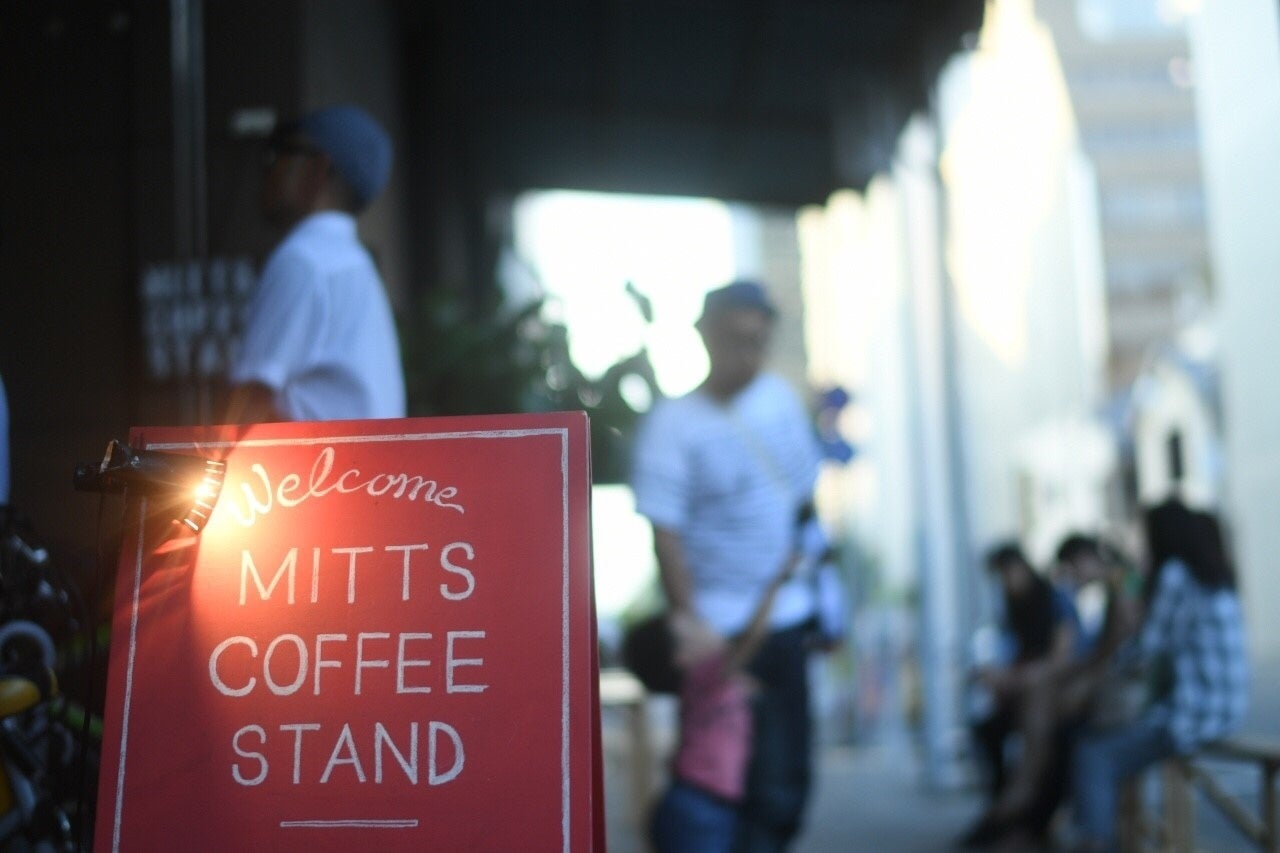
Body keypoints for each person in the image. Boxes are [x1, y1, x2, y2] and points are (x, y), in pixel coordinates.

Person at [631, 280, 823, 851]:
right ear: (705, 335)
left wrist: (819, 595)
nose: (748, 353)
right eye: (736, 339)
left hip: (787, 618)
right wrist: (691, 623)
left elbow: (804, 499)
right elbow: (665, 533)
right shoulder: (672, 424)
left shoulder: (781, 402)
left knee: (786, 778)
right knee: (731, 779)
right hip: (719, 627)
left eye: (758, 341)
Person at [1071, 498, 1249, 851]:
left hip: (1196, 715)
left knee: (1093, 755)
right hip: (1227, 708)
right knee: (1101, 744)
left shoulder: (1175, 574)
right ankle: (1116, 835)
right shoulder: (1213, 575)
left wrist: (1111, 657)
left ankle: (1097, 843)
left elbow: (1146, 648)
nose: (1142, 544)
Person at [226, 104, 406, 423]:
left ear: (317, 169)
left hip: (321, 455)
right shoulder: (352, 261)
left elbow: (249, 401)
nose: (269, 168)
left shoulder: (305, 259)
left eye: (281, 152)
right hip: (365, 455)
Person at [630, 556, 799, 853]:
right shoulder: (704, 676)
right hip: (700, 806)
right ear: (682, 658)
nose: (706, 624)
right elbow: (753, 636)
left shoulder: (707, 685)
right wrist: (775, 583)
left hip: (699, 804)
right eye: (694, 626)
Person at [960, 542, 1083, 847]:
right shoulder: (1016, 605)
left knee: (1041, 757)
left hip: (1053, 696)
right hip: (1030, 694)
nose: (1005, 583)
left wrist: (1016, 678)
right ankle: (1006, 814)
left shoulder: (1053, 598)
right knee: (989, 732)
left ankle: (1016, 819)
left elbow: (1061, 658)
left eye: (1007, 574)